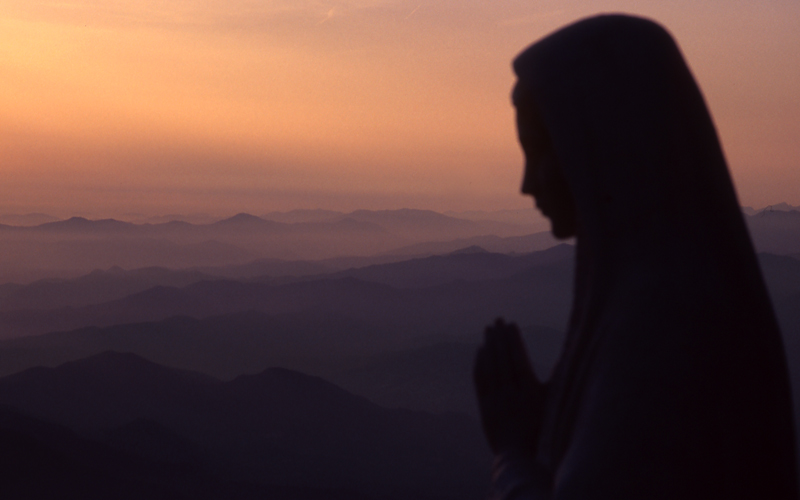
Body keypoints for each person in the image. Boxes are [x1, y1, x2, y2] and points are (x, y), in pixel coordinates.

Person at [473, 14, 798, 500]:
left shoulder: (664, 327)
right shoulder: (658, 302)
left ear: (603, 143)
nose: (527, 183)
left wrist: (512, 457)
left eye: (540, 151)